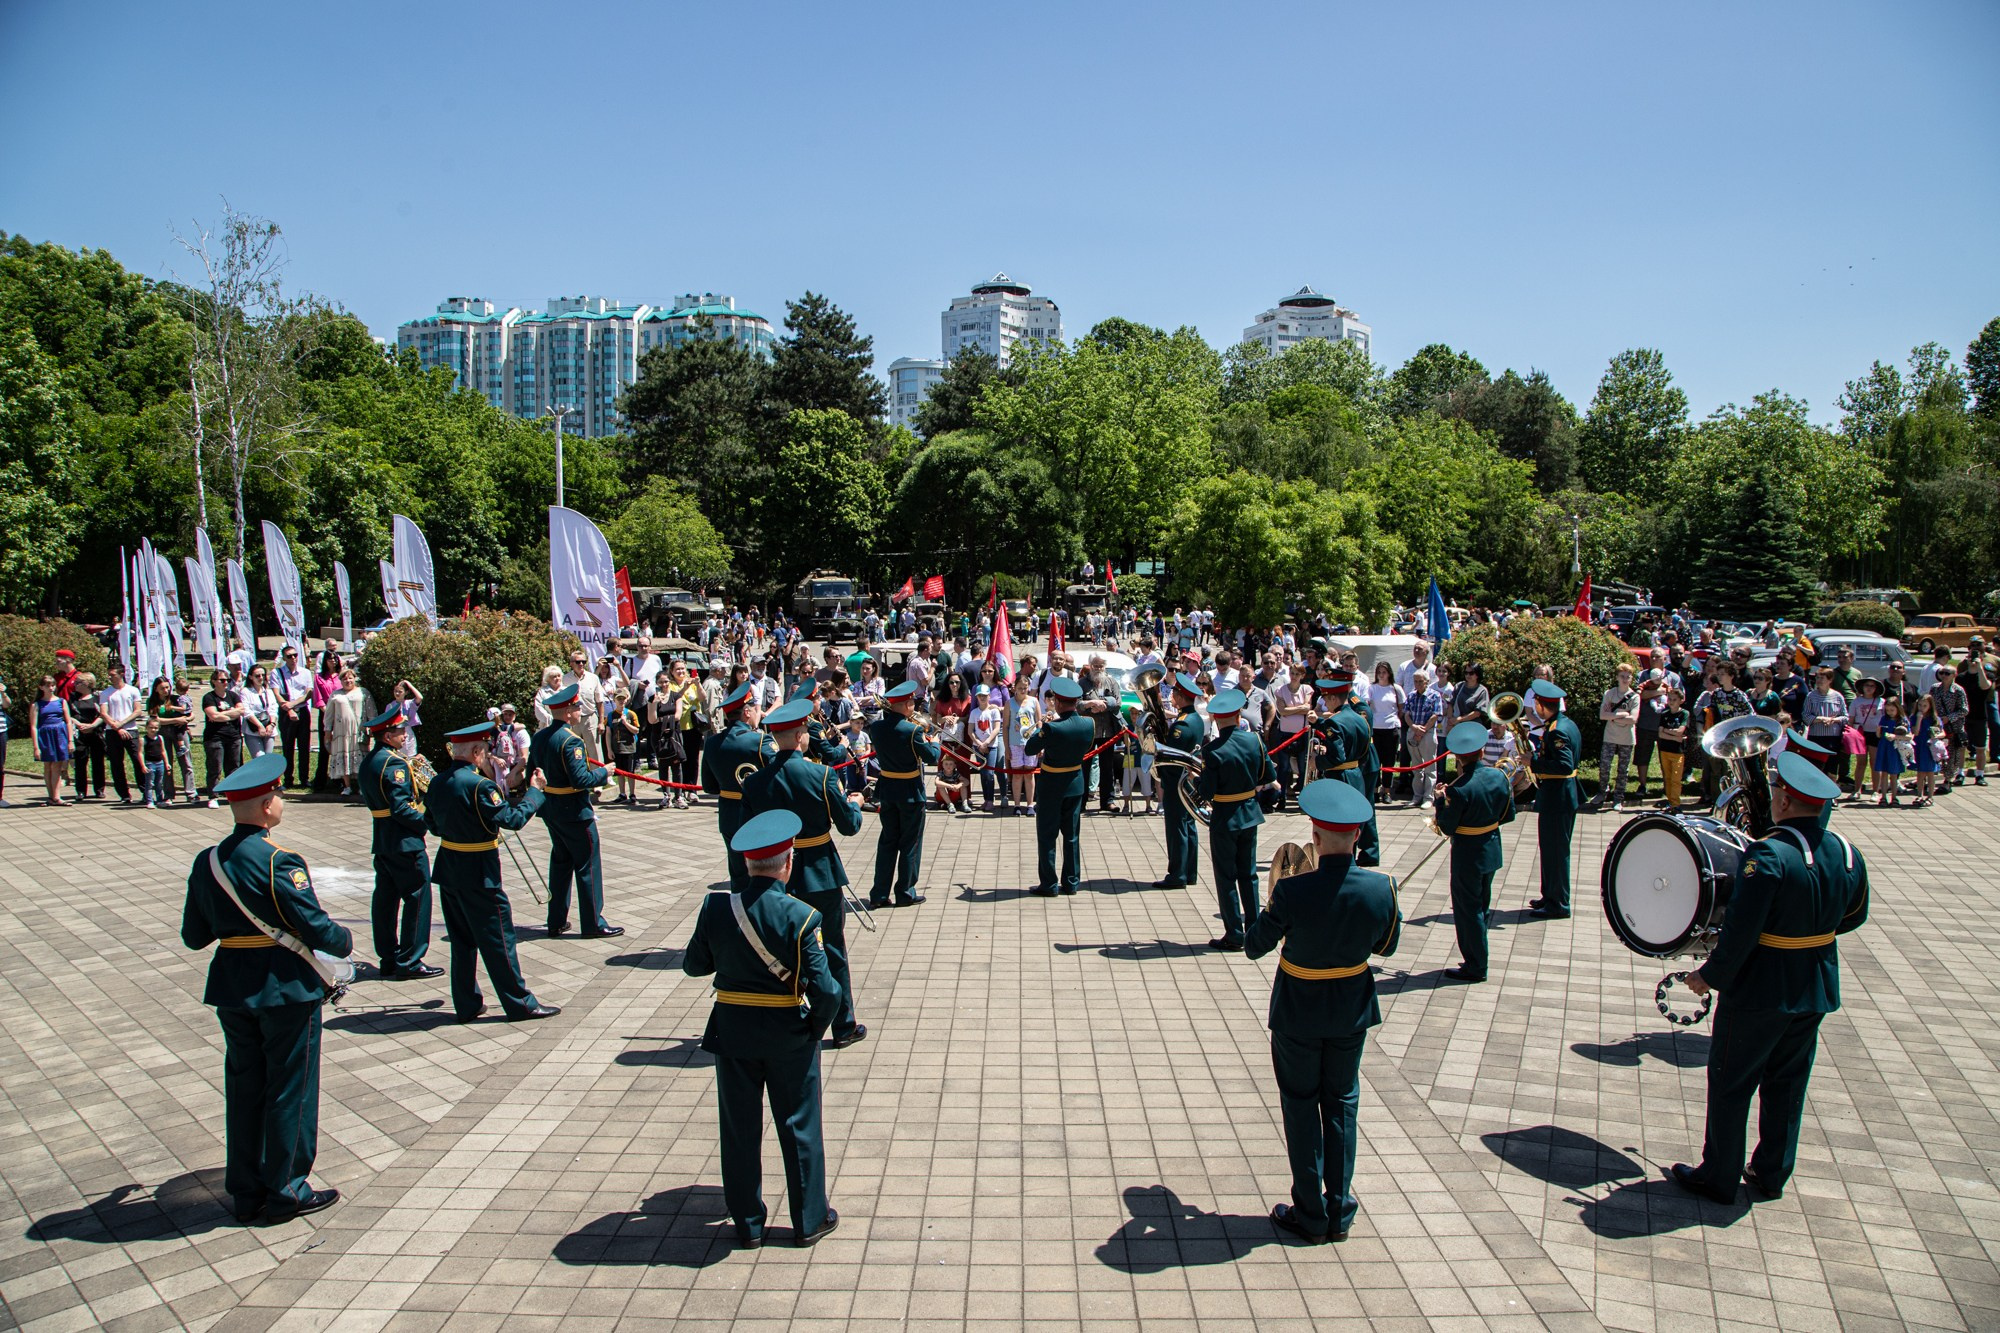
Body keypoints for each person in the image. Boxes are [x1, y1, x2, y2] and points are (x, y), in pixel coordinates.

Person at [1672, 753, 1869, 1205]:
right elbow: (1855, 915)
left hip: (1761, 989)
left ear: (1783, 800)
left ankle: (1718, 1175)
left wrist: (1709, 976)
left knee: (1732, 1081)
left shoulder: (1769, 853)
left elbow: (1742, 929)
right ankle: (1771, 1172)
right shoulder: (1847, 850)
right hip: (1816, 984)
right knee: (1787, 1084)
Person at [179, 752, 352, 1223]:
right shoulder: (280, 861)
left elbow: (193, 936)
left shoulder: (208, 861)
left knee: (245, 1087)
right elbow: (315, 926)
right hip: (284, 986)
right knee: (289, 1089)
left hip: (233, 986)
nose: (280, 801)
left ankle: (246, 1190)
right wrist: (344, 941)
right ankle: (287, 1189)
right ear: (265, 804)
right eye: (276, 794)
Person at [1245, 779, 1401, 1243]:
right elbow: (1387, 947)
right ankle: (1340, 1210)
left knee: (1300, 1106)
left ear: (1314, 835)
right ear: (1357, 836)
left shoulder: (1294, 892)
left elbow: (1255, 945)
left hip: (1298, 1011)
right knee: (1341, 1105)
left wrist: (1274, 900)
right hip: (1351, 1011)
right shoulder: (1382, 888)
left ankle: (1310, 1212)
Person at [683, 808, 843, 1248]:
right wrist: (813, 1029)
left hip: (733, 1031)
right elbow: (828, 991)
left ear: (746, 863)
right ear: (788, 862)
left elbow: (694, 966)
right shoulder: (802, 916)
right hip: (788, 1032)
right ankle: (809, 1220)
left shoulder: (717, 906)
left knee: (738, 1129)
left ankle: (748, 1225)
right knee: (799, 1126)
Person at [741, 698, 867, 1047]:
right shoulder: (821, 774)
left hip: (773, 876)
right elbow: (850, 827)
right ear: (800, 736)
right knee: (832, 951)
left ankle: (788, 1020)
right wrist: (855, 804)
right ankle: (843, 1025)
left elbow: (745, 833)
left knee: (782, 950)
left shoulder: (754, 783)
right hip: (820, 873)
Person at [425, 720, 558, 1022]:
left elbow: (432, 825)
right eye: (484, 752)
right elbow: (511, 819)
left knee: (462, 942)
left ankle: (466, 1003)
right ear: (474, 752)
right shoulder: (480, 786)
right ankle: (520, 1003)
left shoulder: (437, 782)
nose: (486, 757)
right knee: (499, 940)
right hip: (479, 871)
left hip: (449, 869)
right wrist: (535, 793)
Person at [529, 683, 622, 939]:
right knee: (587, 866)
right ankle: (593, 923)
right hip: (575, 812)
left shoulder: (539, 737)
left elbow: (531, 773)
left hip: (551, 809)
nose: (580, 710)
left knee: (560, 864)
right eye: (577, 706)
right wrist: (605, 772)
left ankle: (556, 920)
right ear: (568, 711)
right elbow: (580, 780)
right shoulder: (571, 741)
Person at [359, 704, 442, 980]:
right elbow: (401, 808)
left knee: (385, 901)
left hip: (383, 839)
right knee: (418, 899)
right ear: (386, 735)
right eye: (399, 730)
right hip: (404, 842)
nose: (404, 735)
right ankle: (411, 960)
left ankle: (389, 958)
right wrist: (430, 823)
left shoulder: (371, 761)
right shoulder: (394, 763)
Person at [1435, 720, 1515, 983]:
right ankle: (1478, 956)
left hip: (1467, 854)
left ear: (1458, 757)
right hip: (1491, 848)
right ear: (1482, 752)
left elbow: (1447, 826)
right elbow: (1508, 815)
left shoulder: (1459, 789)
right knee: (1481, 906)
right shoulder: (1498, 776)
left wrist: (1439, 802)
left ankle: (1476, 965)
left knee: (1468, 910)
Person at [1197, 689, 1276, 949]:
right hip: (1250, 813)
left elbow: (1206, 792)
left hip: (1225, 818)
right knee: (1249, 874)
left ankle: (1234, 934)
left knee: (1226, 876)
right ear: (1238, 714)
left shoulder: (1213, 750)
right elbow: (1267, 775)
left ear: (1217, 719)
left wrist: (1197, 779)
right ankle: (1253, 929)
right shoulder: (1255, 741)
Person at [867, 681, 940, 908]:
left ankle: (879, 894)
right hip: (910, 792)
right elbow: (931, 757)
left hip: (887, 789)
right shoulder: (913, 730)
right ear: (906, 703)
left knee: (888, 841)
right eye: (911, 703)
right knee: (910, 843)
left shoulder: (876, 728)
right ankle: (905, 892)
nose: (914, 707)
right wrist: (935, 741)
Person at [701, 685, 777, 892]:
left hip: (728, 812)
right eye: (755, 709)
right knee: (765, 872)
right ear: (746, 711)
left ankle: (738, 916)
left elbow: (708, 786)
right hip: (757, 812)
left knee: (738, 874)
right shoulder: (761, 741)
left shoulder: (712, 743)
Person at [1025, 677, 1093, 897]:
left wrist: (1041, 727)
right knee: (1071, 836)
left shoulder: (1052, 728)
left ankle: (1049, 884)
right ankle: (1072, 882)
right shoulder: (1088, 724)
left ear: (1060, 703)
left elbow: (1030, 748)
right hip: (1075, 783)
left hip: (1051, 786)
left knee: (1047, 836)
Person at [1526, 680, 1584, 918]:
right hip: (1556, 796)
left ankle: (1559, 903)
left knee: (1557, 852)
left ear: (1541, 705)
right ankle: (1549, 895)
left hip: (1558, 797)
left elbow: (1564, 764)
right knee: (1550, 849)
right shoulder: (1561, 724)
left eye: (1536, 703)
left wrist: (1533, 763)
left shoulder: (1557, 731)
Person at [1153, 673, 1209, 891]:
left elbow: (1172, 756)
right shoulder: (1193, 718)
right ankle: (1189, 872)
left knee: (1177, 828)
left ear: (1181, 695)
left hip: (1177, 781)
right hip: (1187, 781)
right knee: (1188, 825)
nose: (1172, 695)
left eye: (1175, 692)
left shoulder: (1182, 726)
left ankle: (1177, 874)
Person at [1319, 673, 1382, 867]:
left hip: (1341, 775)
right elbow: (1363, 750)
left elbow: (1337, 757)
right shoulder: (1357, 718)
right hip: (1356, 773)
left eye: (1325, 698)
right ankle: (1352, 858)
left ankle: (1348, 859)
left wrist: (1317, 761)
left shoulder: (1338, 719)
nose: (1324, 703)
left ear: (1332, 697)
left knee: (1342, 821)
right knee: (1355, 817)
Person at [1591, 664, 1639, 812]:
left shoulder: (1635, 697)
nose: (1625, 679)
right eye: (1622, 676)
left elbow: (1633, 719)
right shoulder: (1610, 694)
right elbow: (1602, 715)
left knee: (1623, 769)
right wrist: (1621, 715)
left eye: (1628, 676)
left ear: (1631, 678)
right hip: (1610, 736)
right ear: (1617, 677)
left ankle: (1618, 798)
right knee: (1605, 765)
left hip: (1627, 738)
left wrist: (1612, 717)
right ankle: (1602, 792)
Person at [322, 668, 373, 799]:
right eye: (344, 679)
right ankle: (347, 786)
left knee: (361, 759)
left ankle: (362, 786)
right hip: (341, 732)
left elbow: (371, 711)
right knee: (343, 757)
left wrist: (372, 728)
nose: (348, 681)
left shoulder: (363, 693)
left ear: (354, 678)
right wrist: (328, 732)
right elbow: (328, 716)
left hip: (358, 731)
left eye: (350, 678)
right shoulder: (335, 695)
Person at [273, 644, 314, 789]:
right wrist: (288, 708)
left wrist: (293, 704)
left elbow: (308, 693)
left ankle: (304, 778)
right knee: (288, 747)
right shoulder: (277, 673)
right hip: (285, 714)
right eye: (289, 656)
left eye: (295, 655)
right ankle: (288, 779)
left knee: (304, 746)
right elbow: (277, 694)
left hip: (302, 711)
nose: (293, 658)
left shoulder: (305, 673)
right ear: (284, 658)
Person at [33, 674, 75, 805]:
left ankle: (56, 796)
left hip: (59, 734)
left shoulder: (61, 701)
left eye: (53, 685)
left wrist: (70, 740)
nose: (51, 688)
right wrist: (36, 747)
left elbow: (68, 721)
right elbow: (33, 726)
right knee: (47, 766)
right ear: (41, 687)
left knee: (57, 765)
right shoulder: (37, 704)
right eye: (47, 686)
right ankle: (51, 796)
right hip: (45, 735)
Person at [69, 672, 106, 799]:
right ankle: (80, 790)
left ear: (87, 684)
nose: (75, 684)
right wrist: (79, 724)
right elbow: (68, 715)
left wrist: (92, 726)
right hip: (80, 734)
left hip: (96, 733)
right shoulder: (73, 698)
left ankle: (99, 789)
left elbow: (103, 714)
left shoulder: (98, 697)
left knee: (98, 762)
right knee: (80, 762)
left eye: (78, 682)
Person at [1657, 687, 1691, 807]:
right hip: (1665, 750)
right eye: (1669, 699)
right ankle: (1669, 801)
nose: (1671, 701)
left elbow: (1680, 731)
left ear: (1681, 700)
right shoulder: (1664, 714)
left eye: (1674, 699)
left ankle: (1675, 804)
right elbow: (1660, 733)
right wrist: (1674, 737)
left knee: (1675, 779)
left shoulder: (1684, 714)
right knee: (1667, 777)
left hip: (1678, 752)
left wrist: (1673, 734)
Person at [1873, 695, 1907, 806]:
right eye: (1887, 710)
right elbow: (1878, 735)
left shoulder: (1902, 720)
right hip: (1884, 747)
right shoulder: (1884, 719)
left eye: (1892, 710)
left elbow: (1908, 736)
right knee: (1884, 773)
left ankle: (1894, 797)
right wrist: (1878, 730)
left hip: (1895, 748)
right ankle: (1883, 796)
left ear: (1898, 708)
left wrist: (1895, 736)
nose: (1889, 712)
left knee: (1894, 773)